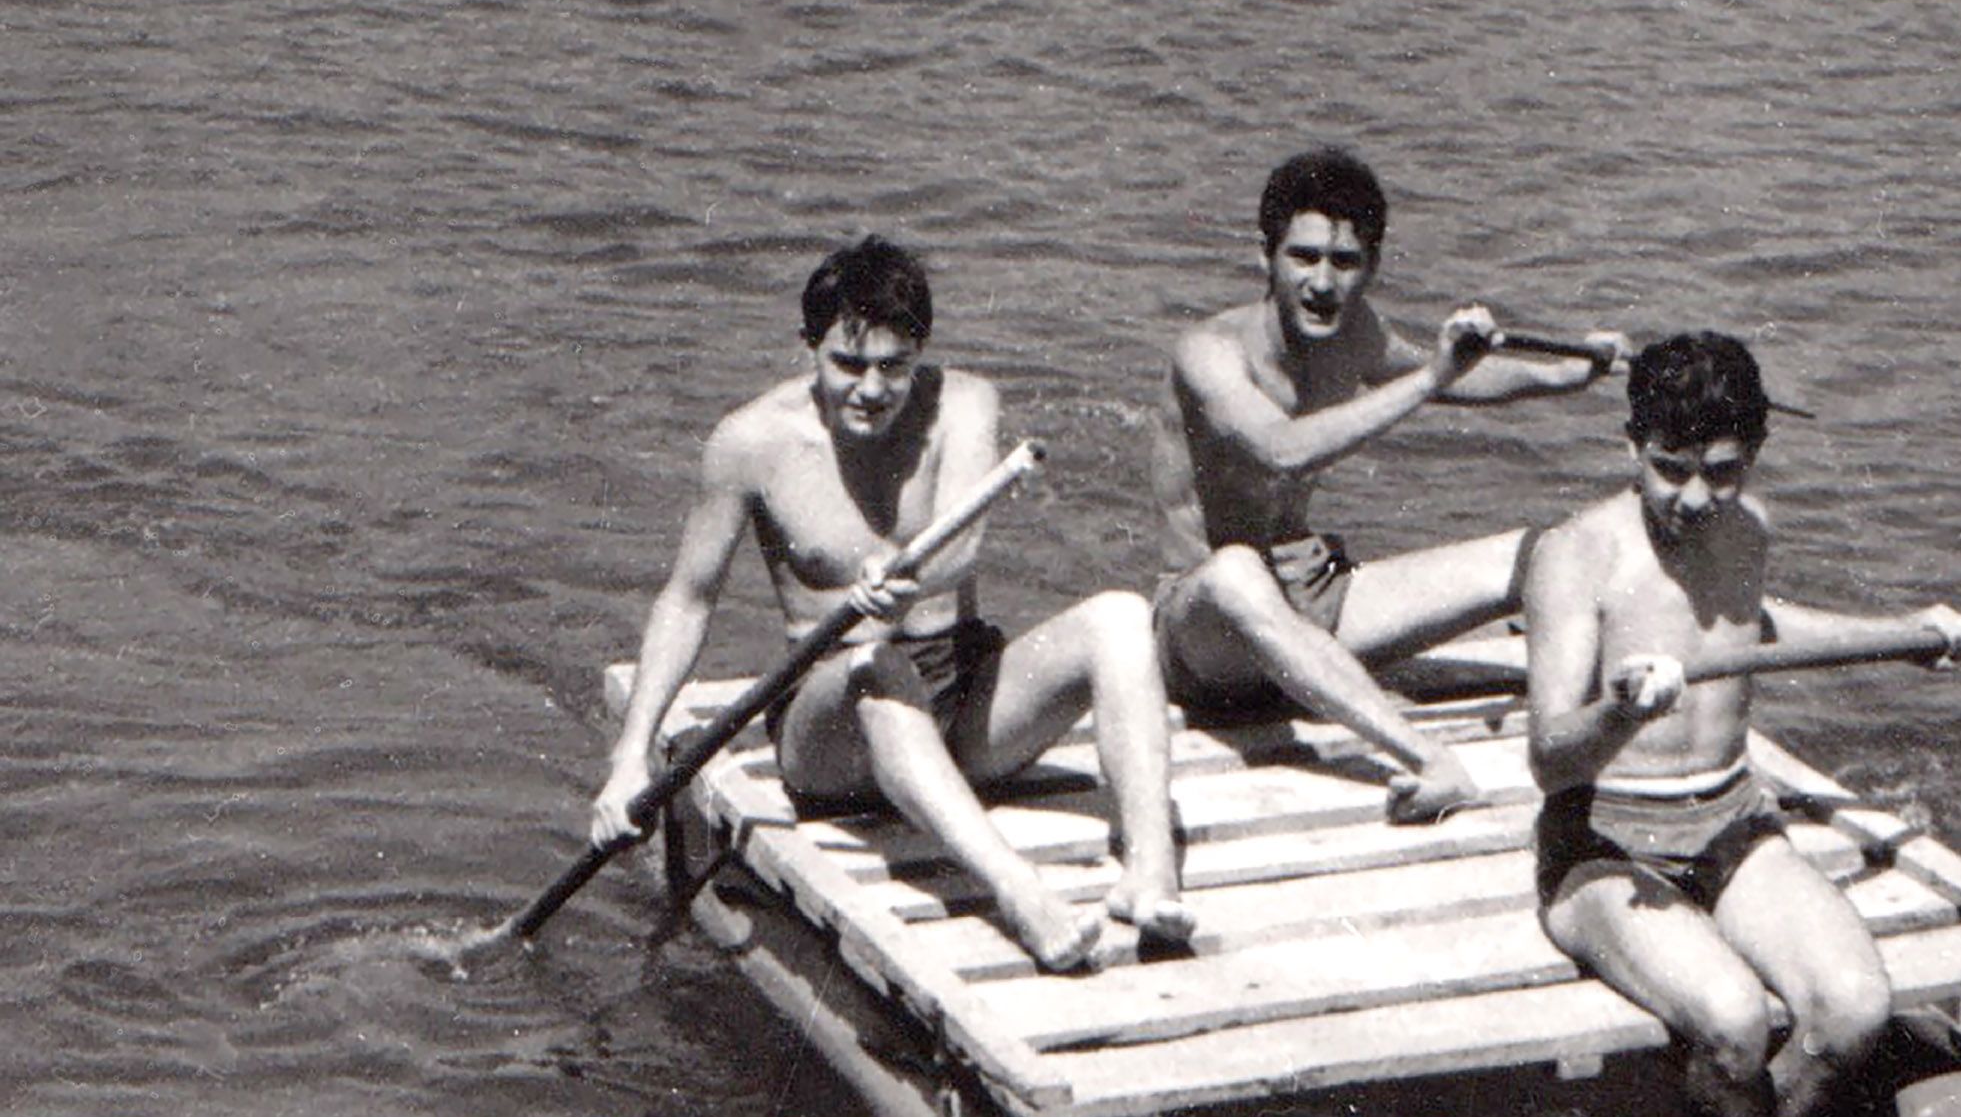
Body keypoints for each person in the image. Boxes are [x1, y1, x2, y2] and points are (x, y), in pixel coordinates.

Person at [593, 235, 1189, 971]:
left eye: (893, 367)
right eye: (848, 364)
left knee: (1121, 617)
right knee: (876, 664)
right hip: (836, 727)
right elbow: (689, 600)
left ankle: (1152, 876)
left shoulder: (964, 403)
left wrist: (911, 579)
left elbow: (961, 546)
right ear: (808, 348)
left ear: (919, 353)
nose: (871, 390)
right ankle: (1020, 893)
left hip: (958, 700)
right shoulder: (748, 443)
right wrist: (631, 757)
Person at [1524, 330, 1961, 1117]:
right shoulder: (1574, 555)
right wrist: (1621, 711)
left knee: (1854, 1008)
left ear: (1754, 456)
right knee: (1733, 1018)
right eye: (1670, 469)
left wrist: (1904, 635)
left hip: (1730, 822)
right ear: (1630, 447)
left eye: (1723, 472)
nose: (1696, 497)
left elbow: (1754, 629)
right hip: (1603, 846)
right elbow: (1548, 758)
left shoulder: (1750, 528)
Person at [1153, 144, 1626, 818]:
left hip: (1313, 603)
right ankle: (1430, 760)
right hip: (1208, 638)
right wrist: (1433, 376)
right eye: (1303, 257)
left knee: (1544, 552)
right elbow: (1283, 450)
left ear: (1371, 266)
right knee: (1235, 571)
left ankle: (1585, 730)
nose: (1323, 283)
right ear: (1265, 258)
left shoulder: (1357, 333)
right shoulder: (1209, 353)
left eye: (1345, 262)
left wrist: (1563, 373)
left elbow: (1451, 378)